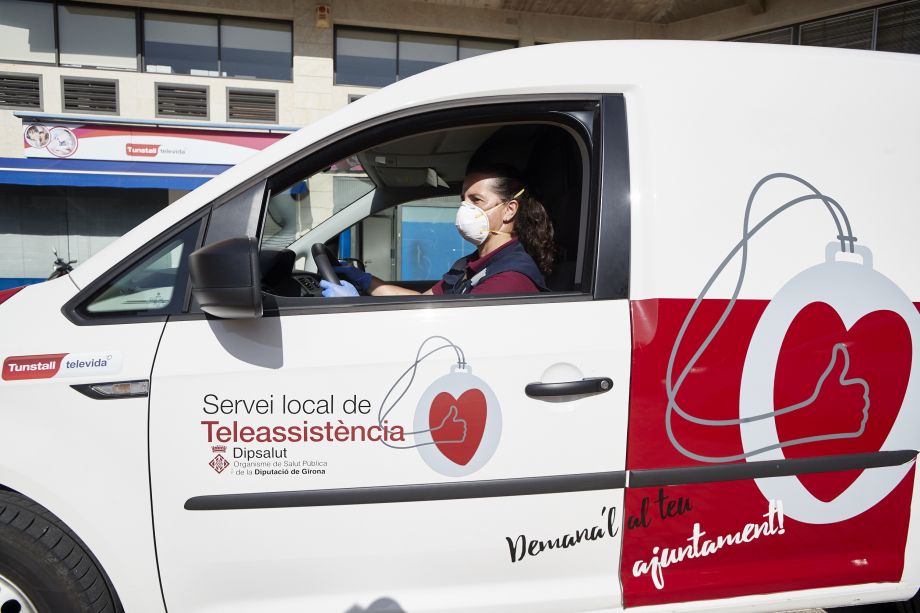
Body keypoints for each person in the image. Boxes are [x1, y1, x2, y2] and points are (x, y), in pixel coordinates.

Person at [320, 164, 555, 298]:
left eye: (476, 200)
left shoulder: (510, 278)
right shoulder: (471, 263)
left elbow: (449, 333)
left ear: (509, 210)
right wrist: (364, 280)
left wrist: (354, 308)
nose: (464, 209)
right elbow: (424, 302)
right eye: (464, 199)